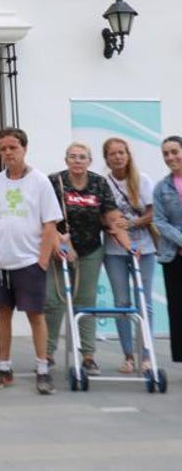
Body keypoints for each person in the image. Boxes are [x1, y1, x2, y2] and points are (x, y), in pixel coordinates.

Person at [0, 127, 62, 395]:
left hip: (29, 261)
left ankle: (42, 369)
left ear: (24, 148)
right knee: (3, 314)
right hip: (0, 261)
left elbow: (50, 224)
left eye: (12, 148)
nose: (7, 153)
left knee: (35, 316)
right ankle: (4, 368)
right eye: (3, 148)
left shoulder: (40, 181)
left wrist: (41, 260)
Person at [46, 142, 130, 376]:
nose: (77, 161)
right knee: (53, 302)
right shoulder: (55, 181)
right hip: (59, 249)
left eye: (82, 157)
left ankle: (88, 356)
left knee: (86, 303)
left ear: (90, 161)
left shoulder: (98, 183)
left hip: (91, 251)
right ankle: (47, 354)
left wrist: (128, 244)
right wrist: (61, 243)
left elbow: (111, 215)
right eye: (73, 157)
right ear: (66, 160)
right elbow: (46, 218)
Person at [101, 137, 158, 373]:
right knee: (121, 303)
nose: (117, 157)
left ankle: (146, 355)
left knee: (144, 303)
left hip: (143, 249)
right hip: (114, 251)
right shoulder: (103, 183)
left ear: (128, 155)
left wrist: (130, 224)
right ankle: (128, 356)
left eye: (121, 152)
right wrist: (113, 228)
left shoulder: (142, 180)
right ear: (106, 158)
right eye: (112, 153)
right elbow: (101, 215)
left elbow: (152, 213)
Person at [152, 135, 182, 363]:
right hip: (174, 256)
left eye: (174, 151)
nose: (170, 157)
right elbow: (160, 221)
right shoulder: (161, 188)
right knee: (178, 310)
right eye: (166, 153)